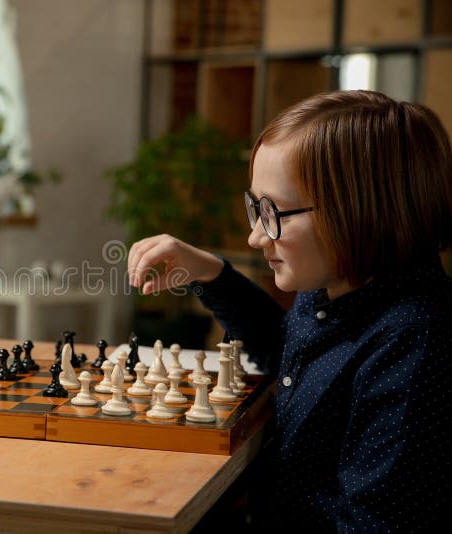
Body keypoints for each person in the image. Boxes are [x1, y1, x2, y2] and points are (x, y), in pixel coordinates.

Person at [127, 90, 452, 530]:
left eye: (273, 212)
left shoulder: (415, 343)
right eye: (255, 208)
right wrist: (211, 274)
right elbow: (290, 353)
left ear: (358, 212)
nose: (256, 237)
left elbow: (376, 523)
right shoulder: (338, 283)